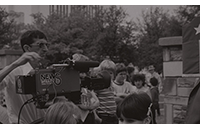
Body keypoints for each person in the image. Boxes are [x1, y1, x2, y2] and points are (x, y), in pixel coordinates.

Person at [0, 30, 49, 123]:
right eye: (41, 45)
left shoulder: (47, 70)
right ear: (27, 48)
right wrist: (16, 63)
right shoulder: (14, 72)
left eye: (47, 45)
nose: (46, 49)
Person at [92, 59, 118, 124]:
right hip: (103, 114)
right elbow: (94, 100)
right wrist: (96, 117)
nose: (109, 75)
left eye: (111, 73)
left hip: (113, 114)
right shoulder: (99, 86)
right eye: (106, 73)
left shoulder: (112, 86)